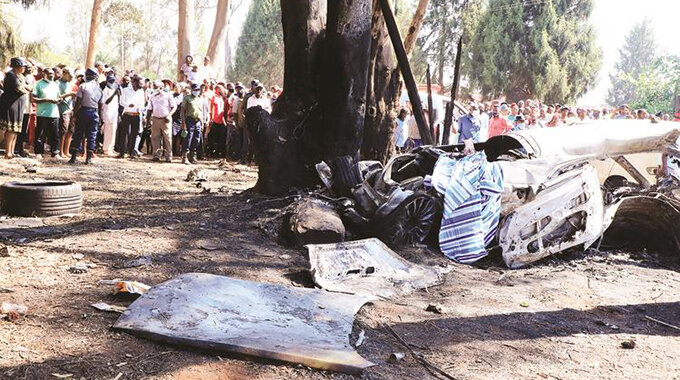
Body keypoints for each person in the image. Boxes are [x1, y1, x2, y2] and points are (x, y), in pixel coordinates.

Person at [69, 68, 103, 164]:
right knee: (92, 135)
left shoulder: (82, 86)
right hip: (94, 112)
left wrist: (74, 114)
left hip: (84, 111)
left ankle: (73, 157)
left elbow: (78, 102)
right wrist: (99, 116)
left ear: (87, 76)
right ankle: (88, 159)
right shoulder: (99, 89)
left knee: (78, 134)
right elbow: (100, 105)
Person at [0, 57, 29, 159]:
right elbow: (20, 89)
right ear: (17, 66)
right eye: (23, 66)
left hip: (18, 105)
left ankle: (11, 151)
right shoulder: (11, 75)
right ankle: (8, 152)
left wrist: (26, 87)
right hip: (11, 105)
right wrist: (26, 88)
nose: (24, 68)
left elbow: (29, 87)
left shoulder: (19, 76)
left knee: (15, 130)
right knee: (10, 129)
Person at [31, 67, 62, 158]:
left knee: (55, 134)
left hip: (54, 113)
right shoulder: (38, 84)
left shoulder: (55, 85)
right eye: (49, 73)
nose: (52, 75)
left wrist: (59, 100)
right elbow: (33, 99)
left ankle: (55, 152)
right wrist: (46, 100)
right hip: (42, 113)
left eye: (52, 73)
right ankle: (38, 153)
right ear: (44, 74)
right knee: (40, 134)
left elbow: (59, 96)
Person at [146, 80, 176, 162]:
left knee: (167, 138)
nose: (155, 88)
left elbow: (174, 107)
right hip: (155, 119)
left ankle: (168, 156)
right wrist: (148, 120)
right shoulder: (152, 96)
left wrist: (169, 115)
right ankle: (156, 155)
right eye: (154, 87)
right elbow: (149, 109)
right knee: (155, 138)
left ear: (161, 87)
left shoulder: (168, 95)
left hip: (165, 119)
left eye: (156, 87)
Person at [117, 76, 145, 159]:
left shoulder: (141, 91)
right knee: (124, 134)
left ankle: (132, 152)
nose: (140, 86)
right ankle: (122, 152)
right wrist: (128, 105)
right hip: (127, 114)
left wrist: (137, 107)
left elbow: (142, 104)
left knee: (134, 134)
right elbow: (121, 102)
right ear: (134, 82)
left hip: (136, 114)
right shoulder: (126, 90)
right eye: (138, 84)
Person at [180, 83, 207, 164]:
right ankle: (185, 157)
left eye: (198, 90)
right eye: (195, 90)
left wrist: (202, 123)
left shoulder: (200, 99)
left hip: (198, 121)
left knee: (196, 139)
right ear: (191, 90)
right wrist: (183, 123)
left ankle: (193, 156)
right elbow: (182, 111)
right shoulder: (187, 98)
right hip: (189, 121)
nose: (197, 91)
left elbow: (201, 112)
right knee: (188, 139)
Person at [206, 85, 227, 158]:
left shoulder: (221, 98)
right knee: (212, 138)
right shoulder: (214, 97)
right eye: (221, 89)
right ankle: (210, 152)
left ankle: (218, 152)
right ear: (217, 90)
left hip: (221, 120)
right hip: (214, 120)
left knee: (220, 138)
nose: (222, 91)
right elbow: (211, 109)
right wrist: (210, 119)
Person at [101, 73, 119, 156]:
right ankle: (106, 149)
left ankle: (111, 148)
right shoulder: (105, 90)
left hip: (114, 114)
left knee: (113, 132)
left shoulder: (114, 89)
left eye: (113, 81)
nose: (112, 82)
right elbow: (106, 101)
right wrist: (114, 94)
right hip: (107, 113)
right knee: (108, 132)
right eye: (110, 81)